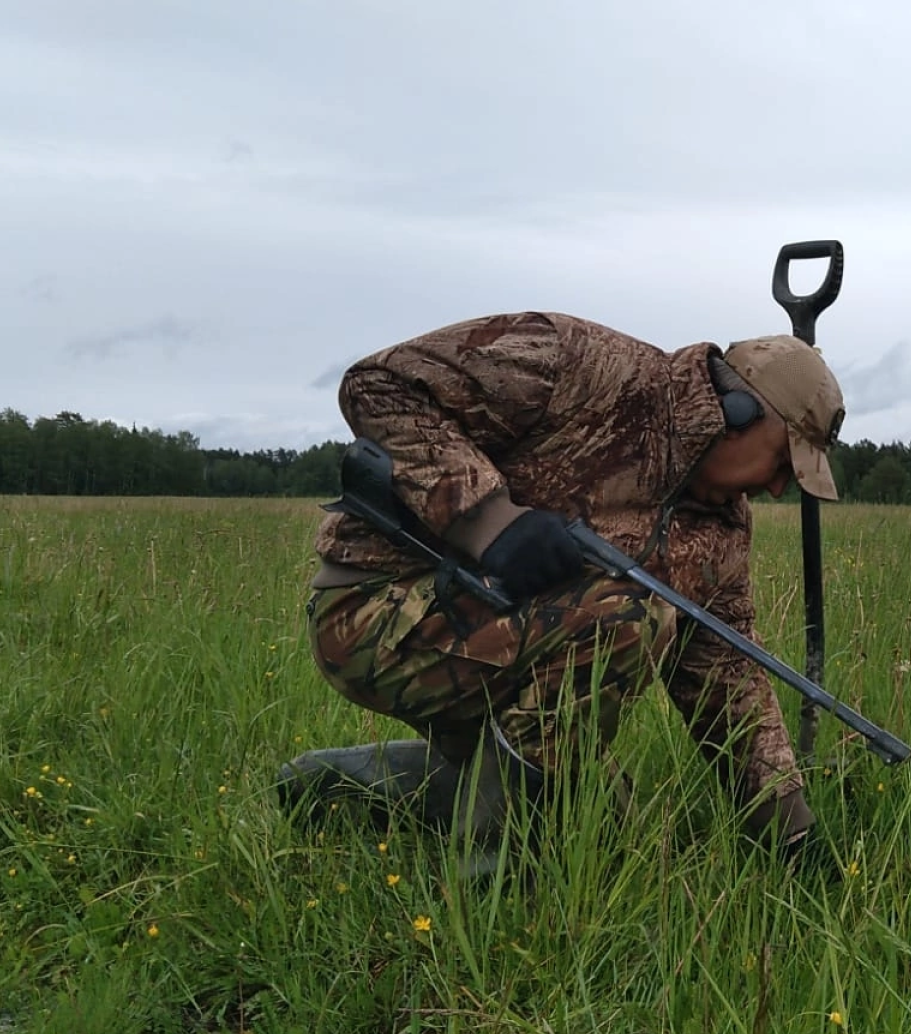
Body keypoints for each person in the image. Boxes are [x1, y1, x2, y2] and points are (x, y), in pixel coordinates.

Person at [278, 310, 845, 869]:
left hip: (498, 653)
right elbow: (380, 385)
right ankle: (492, 874)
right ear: (738, 411)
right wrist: (489, 521)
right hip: (376, 611)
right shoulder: (574, 362)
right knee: (630, 616)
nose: (776, 487)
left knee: (602, 824)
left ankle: (351, 785)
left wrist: (790, 835)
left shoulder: (720, 531)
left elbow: (725, 672)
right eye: (781, 460)